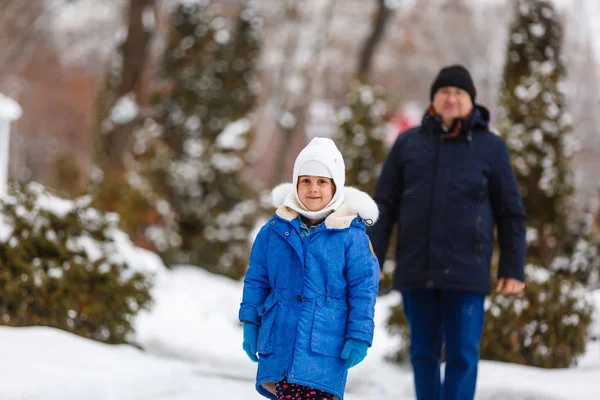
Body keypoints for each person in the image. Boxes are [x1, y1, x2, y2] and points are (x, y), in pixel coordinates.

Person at [367, 65, 526, 400]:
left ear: (471, 101)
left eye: (459, 93)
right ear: (433, 100)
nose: (451, 98)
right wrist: (372, 258)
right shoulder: (408, 143)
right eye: (444, 92)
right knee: (423, 354)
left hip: (466, 273)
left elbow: (510, 211)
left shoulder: (491, 148)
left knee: (462, 357)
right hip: (417, 268)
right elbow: (383, 204)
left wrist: (513, 266)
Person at [238, 137, 380, 400]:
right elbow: (257, 278)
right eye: (306, 180)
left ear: (336, 186)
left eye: (322, 181)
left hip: (325, 346)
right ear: (296, 183)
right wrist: (250, 320)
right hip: (281, 339)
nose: (313, 189)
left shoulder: (351, 235)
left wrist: (359, 335)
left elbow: (364, 290)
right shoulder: (274, 230)